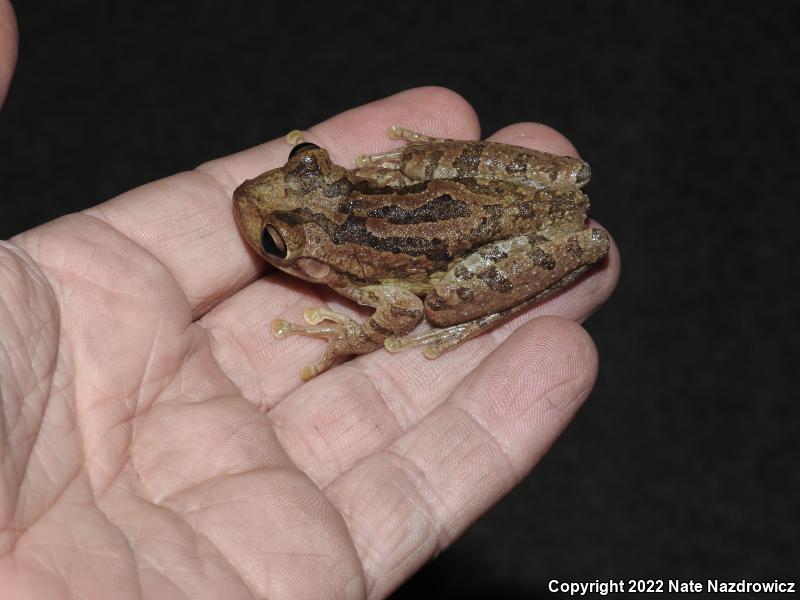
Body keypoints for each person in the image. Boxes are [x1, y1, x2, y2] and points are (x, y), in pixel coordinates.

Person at [0, 3, 618, 597]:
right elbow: (398, 193)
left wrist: (356, 336)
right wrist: (413, 167)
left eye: (277, 242)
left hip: (465, 247)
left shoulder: (355, 271)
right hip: (464, 204)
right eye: (303, 159)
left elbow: (399, 310)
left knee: (442, 300)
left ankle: (469, 311)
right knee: (474, 215)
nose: (256, 195)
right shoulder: (349, 198)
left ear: (316, 257)